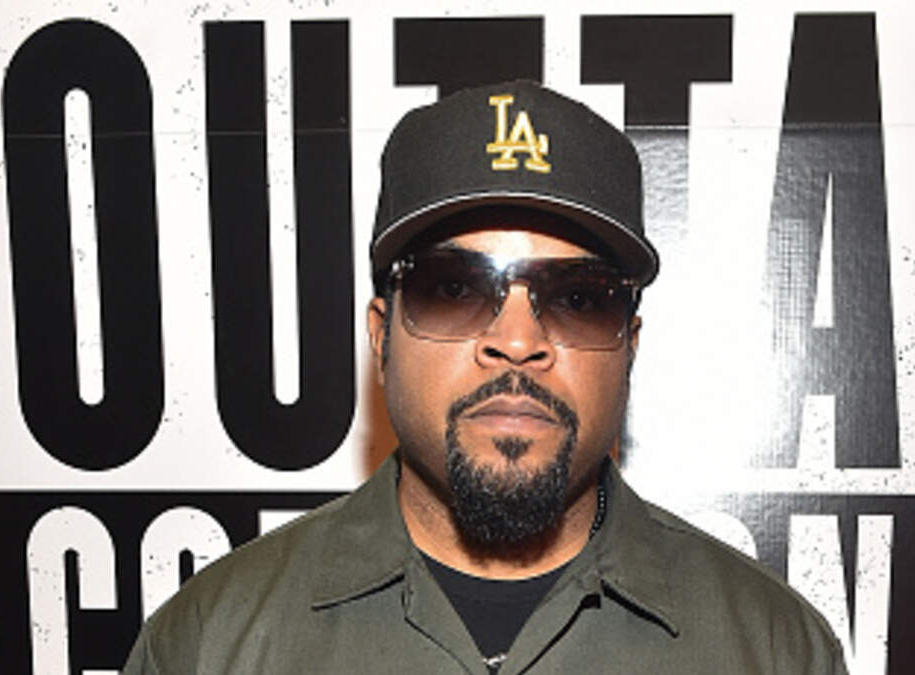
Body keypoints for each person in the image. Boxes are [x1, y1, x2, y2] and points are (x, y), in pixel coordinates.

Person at [123, 80, 847, 674]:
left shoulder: (774, 651)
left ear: (629, 345)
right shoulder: (208, 645)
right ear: (381, 335)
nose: (517, 340)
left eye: (579, 299)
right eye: (454, 288)